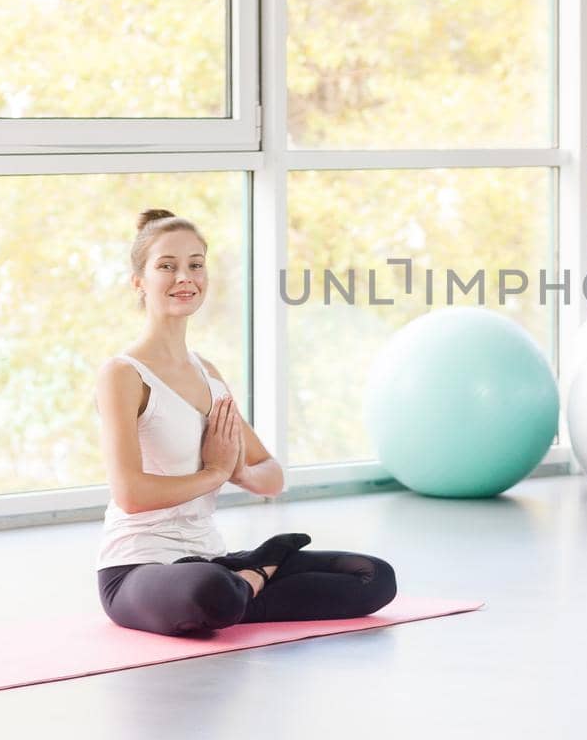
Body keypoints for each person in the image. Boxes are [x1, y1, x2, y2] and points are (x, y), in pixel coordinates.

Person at [95, 208, 397, 636]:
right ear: (139, 281)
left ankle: (242, 587)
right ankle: (256, 573)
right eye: (167, 266)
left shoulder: (208, 374)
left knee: (374, 577)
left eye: (196, 265)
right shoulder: (123, 375)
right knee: (208, 590)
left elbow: (272, 476)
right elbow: (130, 495)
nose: (185, 277)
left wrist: (237, 470)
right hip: (138, 568)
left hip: (212, 559)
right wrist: (215, 472)